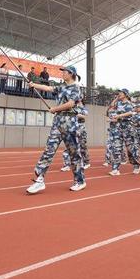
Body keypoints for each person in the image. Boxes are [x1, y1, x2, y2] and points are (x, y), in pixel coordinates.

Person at [26, 66, 85, 194]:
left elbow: (70, 104)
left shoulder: (76, 88)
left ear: (71, 74)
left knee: (74, 154)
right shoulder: (61, 87)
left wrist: (55, 109)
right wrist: (33, 85)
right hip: (57, 123)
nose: (62, 74)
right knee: (48, 150)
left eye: (64, 72)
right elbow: (49, 88)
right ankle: (39, 180)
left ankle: (80, 181)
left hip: (70, 124)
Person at [107, 88, 140, 176]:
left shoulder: (129, 104)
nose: (119, 94)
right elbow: (111, 106)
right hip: (118, 127)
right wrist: (116, 99)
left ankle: (136, 165)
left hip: (127, 128)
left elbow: (130, 113)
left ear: (125, 94)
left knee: (130, 149)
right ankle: (115, 169)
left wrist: (118, 116)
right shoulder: (118, 103)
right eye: (119, 93)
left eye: (121, 93)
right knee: (116, 148)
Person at [61, 100, 90, 171]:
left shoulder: (83, 107)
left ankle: (86, 162)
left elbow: (85, 115)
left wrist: (76, 114)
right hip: (71, 128)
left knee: (82, 146)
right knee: (68, 147)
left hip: (81, 129)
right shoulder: (71, 105)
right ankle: (67, 164)